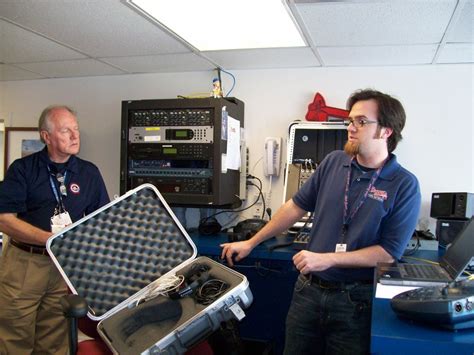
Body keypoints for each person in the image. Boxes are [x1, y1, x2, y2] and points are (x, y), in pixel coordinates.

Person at [221, 89, 421, 354]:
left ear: (386, 131)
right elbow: (295, 207)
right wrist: (252, 241)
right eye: (350, 121)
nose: (351, 128)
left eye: (361, 122)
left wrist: (328, 258)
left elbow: (388, 253)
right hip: (308, 292)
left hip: (355, 301)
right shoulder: (333, 162)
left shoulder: (404, 184)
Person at [0, 105, 110, 354]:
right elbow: (4, 219)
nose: (75, 136)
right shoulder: (23, 169)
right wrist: (50, 239)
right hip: (25, 264)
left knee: (56, 338)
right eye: (65, 130)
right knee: (14, 336)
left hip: (64, 265)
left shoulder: (88, 173)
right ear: (46, 136)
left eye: (76, 129)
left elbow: (100, 219)